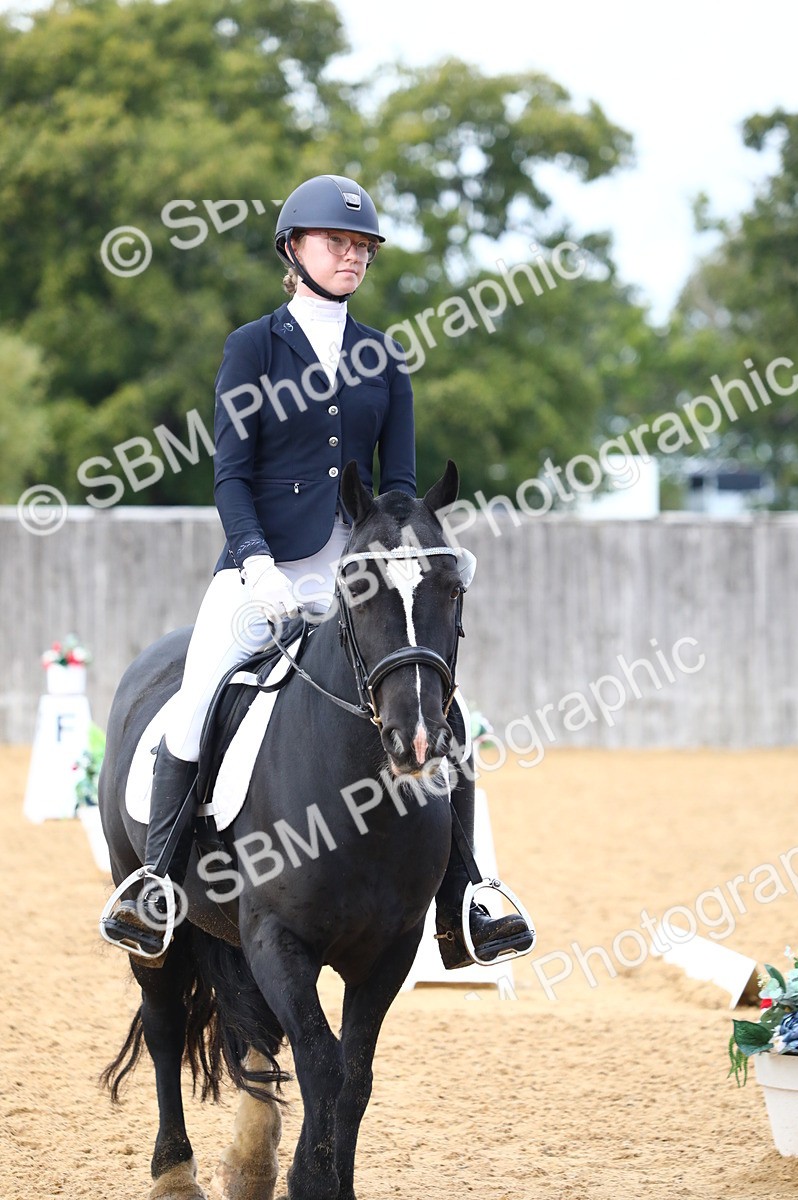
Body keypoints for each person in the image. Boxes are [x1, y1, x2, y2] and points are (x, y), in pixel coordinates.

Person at [101, 173, 533, 969]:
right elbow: (231, 475)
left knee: (446, 712)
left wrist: (414, 553)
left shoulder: (383, 357)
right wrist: (256, 561)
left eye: (363, 246)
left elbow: (398, 489)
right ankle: (156, 882)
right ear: (293, 249)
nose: (353, 255)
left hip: (361, 578)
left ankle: (466, 900)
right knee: (196, 702)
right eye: (338, 242)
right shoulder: (254, 347)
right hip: (263, 570)